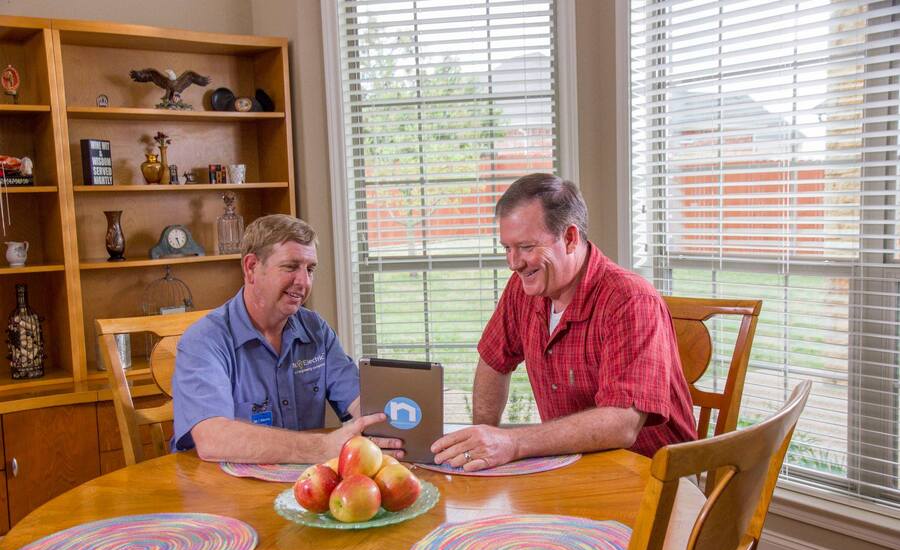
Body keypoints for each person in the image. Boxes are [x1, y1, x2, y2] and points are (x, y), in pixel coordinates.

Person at [431, 174, 696, 471]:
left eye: (527, 247)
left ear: (569, 238)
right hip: (571, 469)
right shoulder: (524, 288)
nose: (513, 262)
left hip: (651, 477)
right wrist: (481, 442)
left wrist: (512, 442)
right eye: (507, 248)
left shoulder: (630, 300)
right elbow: (494, 362)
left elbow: (622, 424)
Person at [171, 214, 403, 463]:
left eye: (310, 269)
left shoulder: (316, 330)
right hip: (223, 491)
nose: (303, 282)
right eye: (291, 267)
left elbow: (360, 403)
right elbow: (212, 438)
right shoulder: (204, 341)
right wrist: (322, 447)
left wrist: (388, 426)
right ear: (251, 268)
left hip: (302, 485)